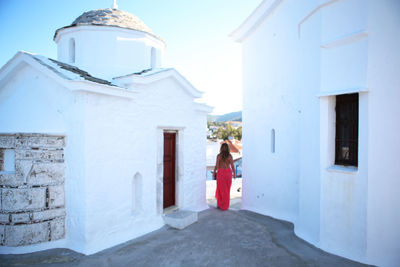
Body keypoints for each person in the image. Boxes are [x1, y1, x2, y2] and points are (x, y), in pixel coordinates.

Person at [213, 142, 236, 210]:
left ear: (221, 148)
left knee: (220, 189)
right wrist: (234, 174)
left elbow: (217, 166)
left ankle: (220, 205)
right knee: (227, 190)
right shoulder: (230, 156)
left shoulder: (219, 156)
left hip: (221, 173)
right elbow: (232, 166)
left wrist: (214, 172)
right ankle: (225, 206)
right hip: (228, 174)